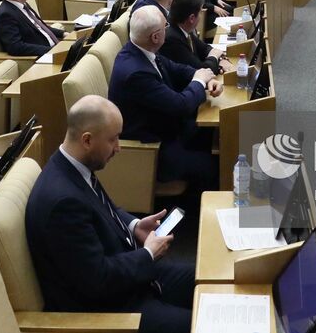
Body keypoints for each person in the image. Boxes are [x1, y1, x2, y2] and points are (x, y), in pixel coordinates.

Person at [25, 96, 196, 333]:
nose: (118, 147)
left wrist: (134, 225)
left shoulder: (73, 168)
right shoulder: (62, 203)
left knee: (203, 279)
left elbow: (106, 209)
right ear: (87, 140)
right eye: (113, 139)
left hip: (129, 274)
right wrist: (148, 254)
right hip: (110, 309)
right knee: (201, 324)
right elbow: (98, 280)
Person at [110, 6, 220, 189]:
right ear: (155, 36)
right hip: (155, 148)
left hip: (168, 128)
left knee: (218, 137)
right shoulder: (136, 73)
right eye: (165, 26)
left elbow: (177, 69)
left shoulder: (141, 49)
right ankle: (194, 213)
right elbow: (180, 105)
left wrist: (205, 76)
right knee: (214, 166)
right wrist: (199, 82)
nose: (168, 29)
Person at [161, 0, 222, 73]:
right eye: (200, 12)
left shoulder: (184, 28)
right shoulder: (172, 40)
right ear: (192, 18)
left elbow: (205, 48)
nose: (201, 15)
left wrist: (221, 60)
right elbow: (201, 70)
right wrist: (214, 57)